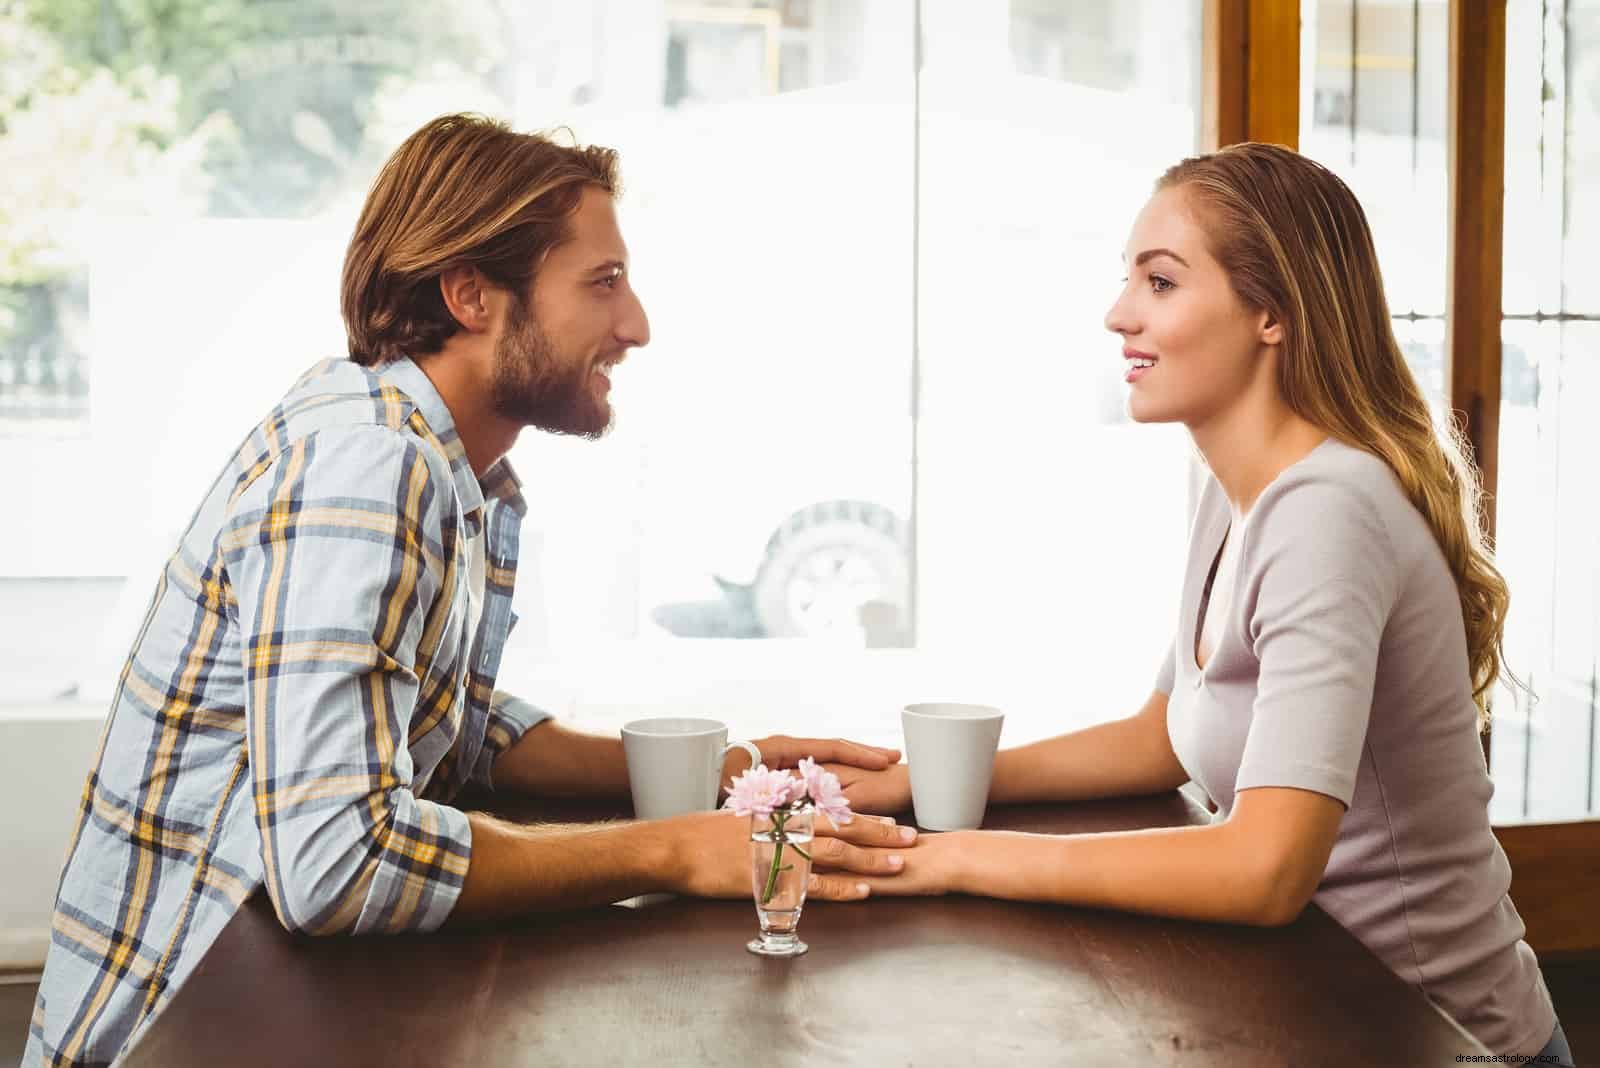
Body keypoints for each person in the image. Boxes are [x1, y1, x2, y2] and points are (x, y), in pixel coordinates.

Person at [26, 114, 915, 1067]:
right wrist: (671, 849)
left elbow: (455, 726)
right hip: (170, 1032)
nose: (636, 326)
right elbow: (338, 864)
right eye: (602, 283)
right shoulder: (364, 465)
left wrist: (717, 768)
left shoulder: (448, 469)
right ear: (470, 296)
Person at [830, 143, 1573, 1066]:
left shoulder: (1328, 507)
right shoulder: (1242, 489)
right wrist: (930, 783)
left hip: (1435, 1036)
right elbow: (1165, 734)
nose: (1118, 314)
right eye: (1130, 279)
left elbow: (1265, 870)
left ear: (1271, 312)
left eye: (1162, 282)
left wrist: (959, 860)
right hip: (1314, 1009)